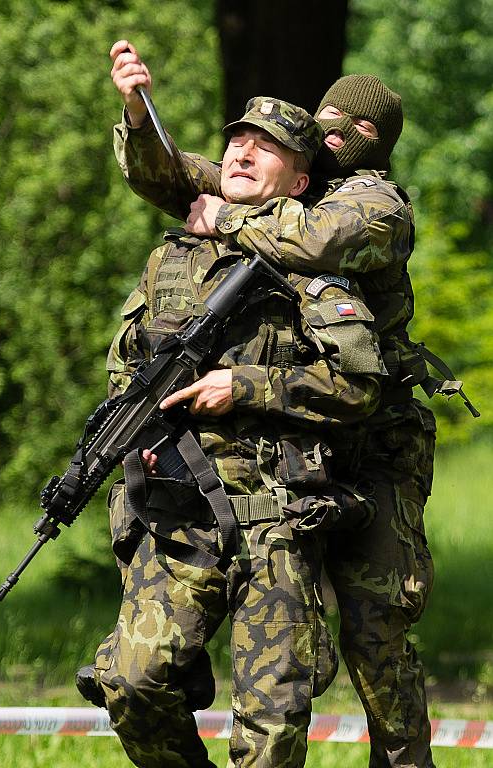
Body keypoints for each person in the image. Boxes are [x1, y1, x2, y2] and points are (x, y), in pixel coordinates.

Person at [106, 40, 463, 768]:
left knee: (376, 632)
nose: (332, 138)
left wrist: (227, 219)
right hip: (275, 459)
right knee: (163, 676)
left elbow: (320, 239)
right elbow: (175, 175)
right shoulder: (284, 178)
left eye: (347, 133)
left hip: (376, 447)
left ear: (371, 145)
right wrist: (138, 110)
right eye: (322, 125)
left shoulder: (372, 203)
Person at [88, 97, 389, 768]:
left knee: (271, 730)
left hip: (275, 525)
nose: (244, 154)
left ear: (299, 182)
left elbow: (360, 385)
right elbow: (127, 362)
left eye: (268, 148)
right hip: (179, 520)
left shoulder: (311, 263)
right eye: (238, 141)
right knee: (131, 685)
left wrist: (248, 386)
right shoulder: (172, 259)